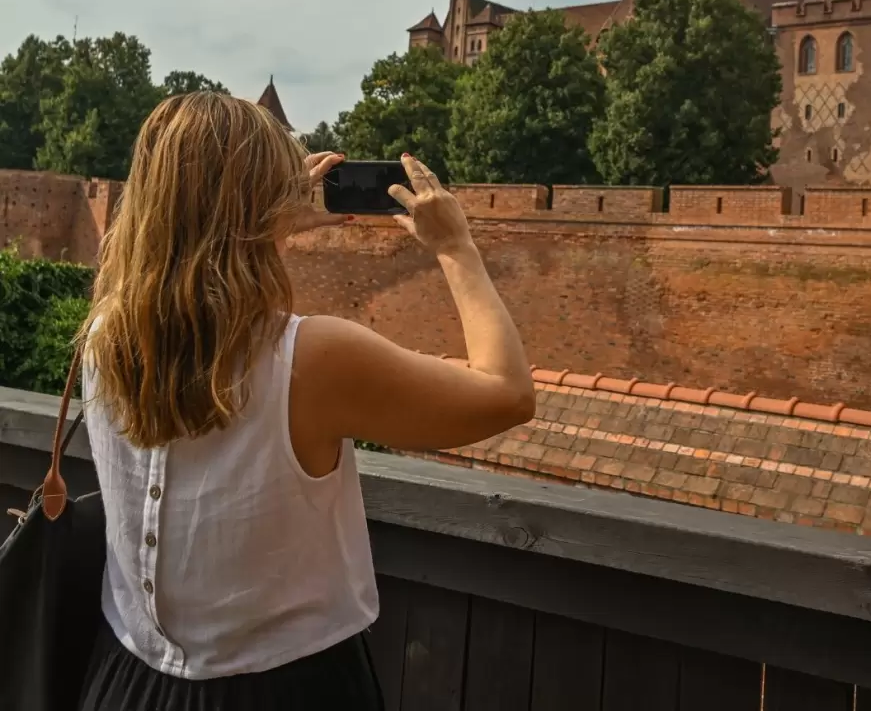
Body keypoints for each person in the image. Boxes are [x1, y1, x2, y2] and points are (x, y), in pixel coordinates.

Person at [75, 92, 533, 710]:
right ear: (260, 209)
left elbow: (181, 271)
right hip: (285, 690)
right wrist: (457, 250)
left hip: (126, 679)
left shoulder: (105, 334)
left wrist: (262, 221)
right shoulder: (313, 359)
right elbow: (507, 394)